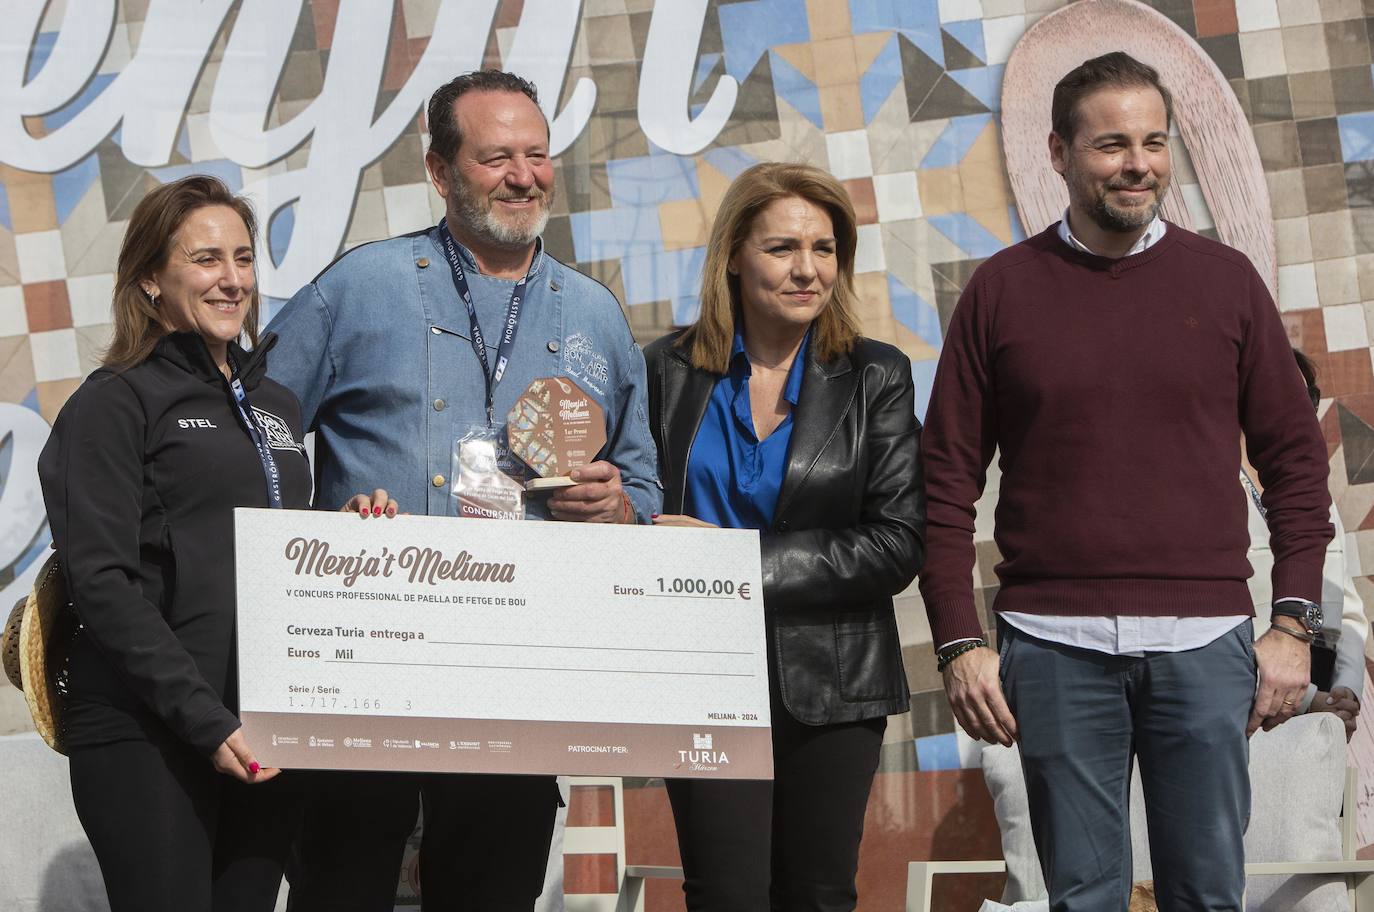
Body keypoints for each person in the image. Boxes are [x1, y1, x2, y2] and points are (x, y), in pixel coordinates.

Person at [919, 52, 1333, 912]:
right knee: (1082, 900)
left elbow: (1296, 465)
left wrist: (1292, 623)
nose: (1138, 163)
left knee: (1208, 896)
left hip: (1206, 647)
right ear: (1059, 153)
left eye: (1154, 141)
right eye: (1111, 144)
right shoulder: (999, 292)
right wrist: (960, 642)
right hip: (1053, 646)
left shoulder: (1226, 285)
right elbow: (944, 481)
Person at [265, 70, 661, 910]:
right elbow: (254, 437)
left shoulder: (594, 315)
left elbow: (645, 481)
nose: (524, 175)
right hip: (364, 663)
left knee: (490, 890)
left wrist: (620, 505)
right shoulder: (358, 287)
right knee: (342, 886)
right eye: (495, 157)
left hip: (518, 671)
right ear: (440, 173)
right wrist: (313, 533)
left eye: (537, 154)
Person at [644, 161, 925, 911]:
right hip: (699, 674)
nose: (808, 270)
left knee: (817, 895)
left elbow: (897, 542)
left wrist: (734, 563)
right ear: (733, 253)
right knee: (726, 896)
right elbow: (638, 515)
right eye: (782, 249)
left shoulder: (876, 375)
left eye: (825, 249)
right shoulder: (664, 371)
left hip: (832, 680)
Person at [36, 175, 314, 912]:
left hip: (262, 726)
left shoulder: (276, 405)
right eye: (207, 260)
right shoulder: (115, 402)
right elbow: (100, 581)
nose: (232, 280)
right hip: (148, 730)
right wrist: (205, 718)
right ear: (152, 278)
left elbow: (281, 553)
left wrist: (353, 531)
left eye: (245, 259)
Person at [1244, 349, 1366, 738]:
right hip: (1254, 701)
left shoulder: (1318, 500)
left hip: (1325, 712)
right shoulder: (1219, 491)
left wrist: (1344, 692)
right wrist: (1307, 698)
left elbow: (1350, 613)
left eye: (1306, 397)